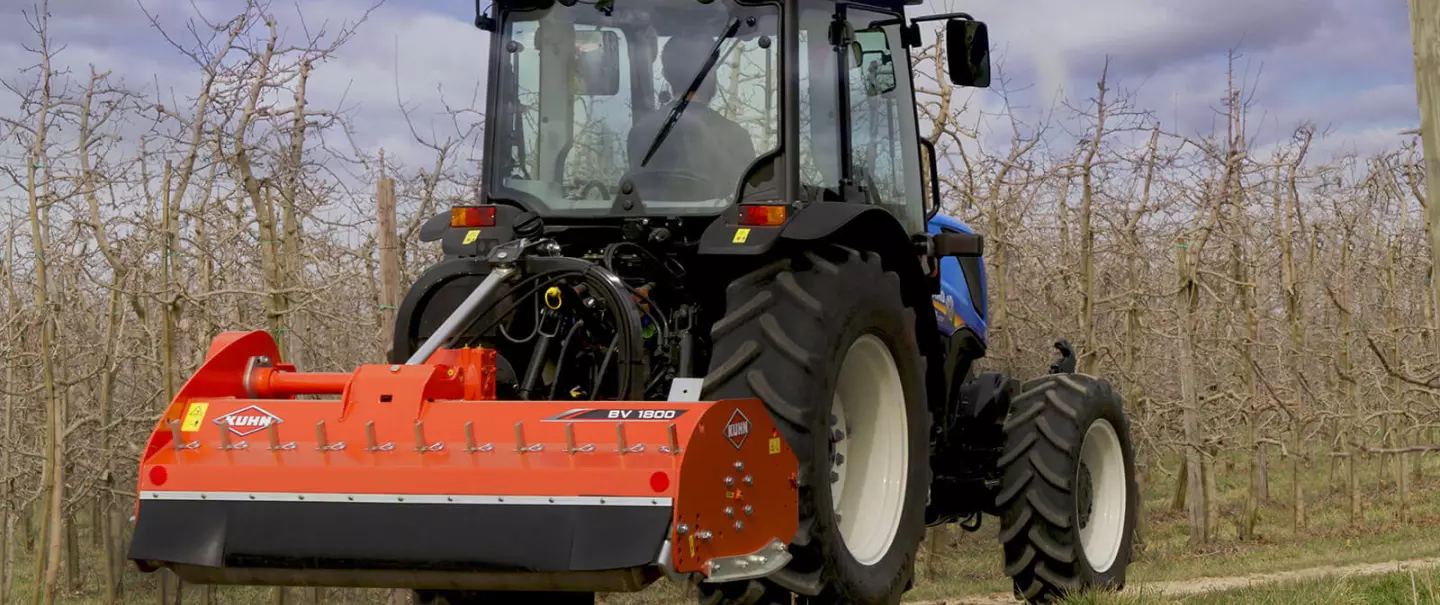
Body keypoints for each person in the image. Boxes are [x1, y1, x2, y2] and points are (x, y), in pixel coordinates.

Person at [626, 34, 757, 199]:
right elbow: (749, 198)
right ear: (710, 74)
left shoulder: (639, 133)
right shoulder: (735, 136)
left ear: (666, 73)